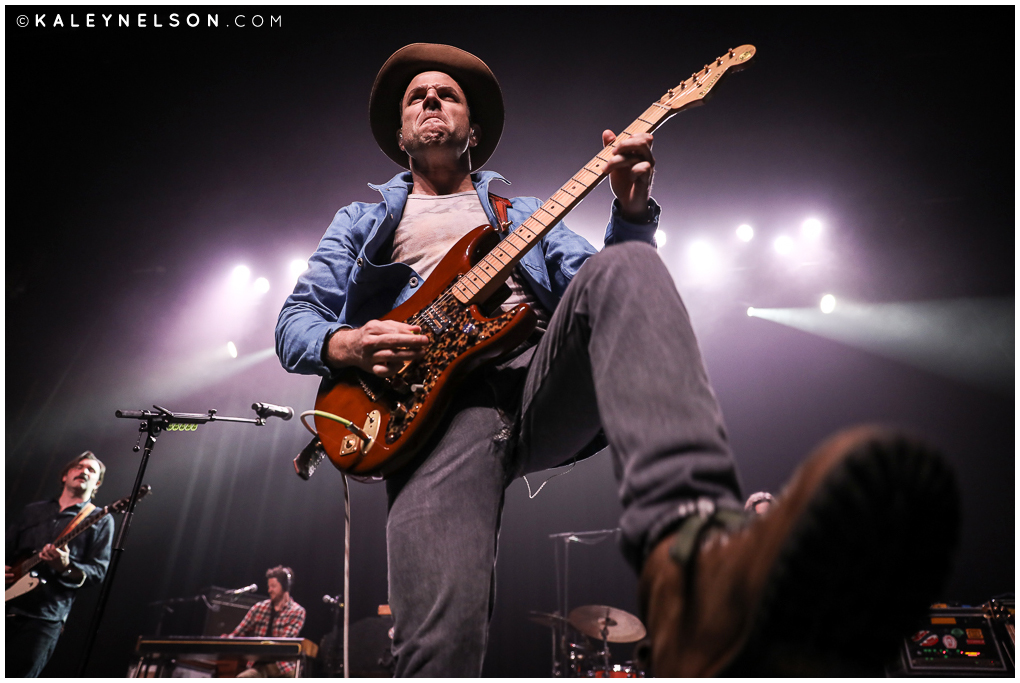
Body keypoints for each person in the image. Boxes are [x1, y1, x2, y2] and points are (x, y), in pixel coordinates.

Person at [275, 43, 959, 676]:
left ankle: (693, 548)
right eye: (416, 97)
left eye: (446, 94)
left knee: (628, 265)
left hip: (538, 381)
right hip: (430, 418)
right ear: (400, 135)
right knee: (440, 647)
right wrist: (347, 343)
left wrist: (631, 211)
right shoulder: (362, 222)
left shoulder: (522, 213)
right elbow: (293, 322)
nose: (430, 99)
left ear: (472, 129)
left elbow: (599, 291)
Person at [6, 451, 114, 678]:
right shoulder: (33, 511)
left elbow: (97, 572)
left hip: (44, 617)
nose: (84, 471)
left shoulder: (101, 519)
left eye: (91, 470)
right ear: (65, 476)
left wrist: (65, 566)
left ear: (97, 483)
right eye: (79, 467)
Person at [227, 566, 306, 678]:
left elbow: (284, 643)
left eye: (273, 586)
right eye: (269, 586)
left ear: (285, 587)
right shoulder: (259, 608)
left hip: (283, 666)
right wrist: (227, 639)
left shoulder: (297, 611)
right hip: (259, 666)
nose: (269, 590)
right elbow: (238, 633)